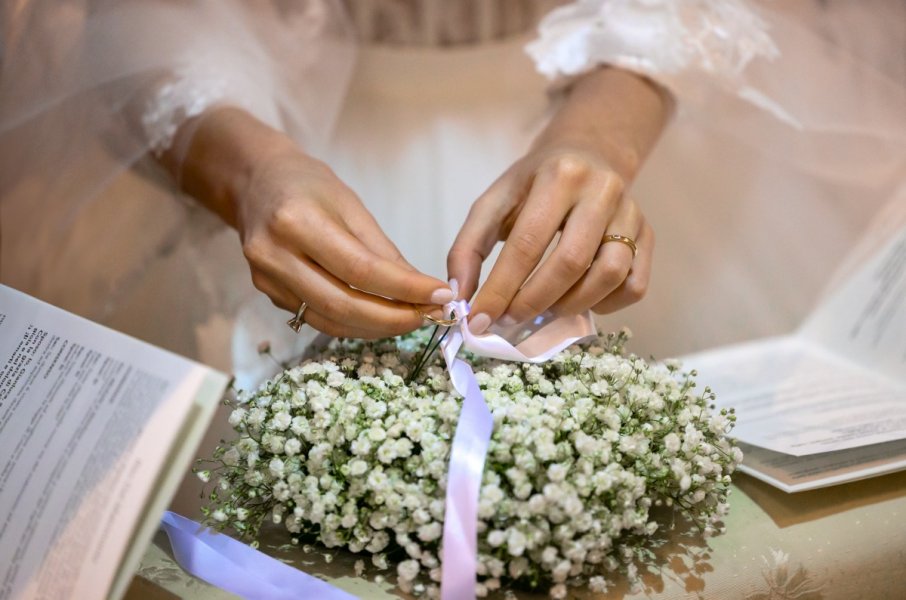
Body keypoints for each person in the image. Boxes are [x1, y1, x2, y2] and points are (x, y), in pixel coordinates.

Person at [2, 0, 905, 387]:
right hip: (295, 123)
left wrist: (599, 138)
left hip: (611, 107)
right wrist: (248, 173)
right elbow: (122, 17)